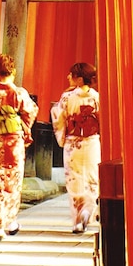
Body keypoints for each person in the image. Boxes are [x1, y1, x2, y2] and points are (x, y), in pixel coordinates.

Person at [0, 53, 38, 241]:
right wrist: (21, 127)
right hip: (13, 144)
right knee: (12, 182)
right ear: (13, 71)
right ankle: (11, 221)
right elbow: (31, 112)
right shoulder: (19, 94)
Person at [51, 61, 100, 233]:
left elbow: (58, 117)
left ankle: (78, 220)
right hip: (92, 141)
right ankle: (89, 209)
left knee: (74, 179)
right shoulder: (96, 97)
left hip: (73, 143)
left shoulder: (67, 98)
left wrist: (62, 138)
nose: (68, 77)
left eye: (71, 75)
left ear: (79, 79)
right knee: (93, 178)